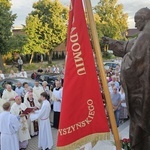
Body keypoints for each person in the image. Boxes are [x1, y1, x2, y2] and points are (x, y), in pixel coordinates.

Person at [103, 7, 150, 150]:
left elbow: (131, 63)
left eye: (136, 21)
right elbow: (129, 46)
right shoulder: (144, 34)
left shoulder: (146, 36)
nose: (135, 25)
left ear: (144, 19)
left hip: (143, 92)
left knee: (141, 129)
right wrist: (112, 42)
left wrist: (124, 63)